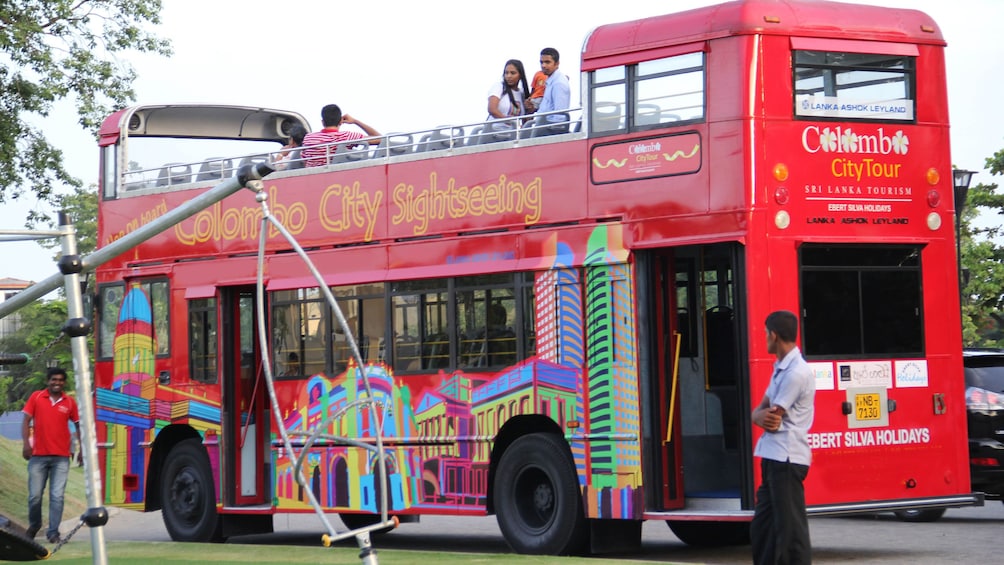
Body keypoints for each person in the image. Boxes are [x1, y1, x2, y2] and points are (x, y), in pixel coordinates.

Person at [750, 310, 815, 565]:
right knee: (763, 527)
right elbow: (759, 411)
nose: (765, 338)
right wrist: (758, 416)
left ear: (774, 335)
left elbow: (772, 419)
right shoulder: (780, 367)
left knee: (790, 530)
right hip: (772, 455)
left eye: (766, 334)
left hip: (787, 458)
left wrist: (758, 416)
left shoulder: (796, 373)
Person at [22, 367, 82, 544]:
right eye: (54, 380)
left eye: (60, 380)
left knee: (57, 496)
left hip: (61, 458)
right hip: (38, 456)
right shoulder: (37, 397)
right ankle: (34, 525)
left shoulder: (69, 402)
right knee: (35, 496)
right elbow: (25, 420)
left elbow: (79, 425)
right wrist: (26, 444)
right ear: (48, 381)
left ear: (64, 382)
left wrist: (82, 451)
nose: (57, 383)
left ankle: (53, 532)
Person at [300, 104, 381, 167]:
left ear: (322, 122)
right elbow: (379, 139)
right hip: (340, 182)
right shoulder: (347, 136)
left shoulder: (308, 138)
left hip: (313, 180)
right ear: (340, 121)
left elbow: (304, 161)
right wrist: (355, 121)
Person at [486, 59, 531, 132]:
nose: (508, 76)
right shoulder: (499, 86)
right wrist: (509, 121)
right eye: (506, 73)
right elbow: (492, 109)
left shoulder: (522, 94)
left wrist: (530, 110)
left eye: (513, 73)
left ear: (520, 75)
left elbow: (525, 120)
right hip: (494, 132)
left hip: (513, 135)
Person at [534, 47, 571, 132]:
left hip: (549, 131)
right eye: (541, 62)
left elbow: (559, 117)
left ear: (557, 64)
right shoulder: (551, 80)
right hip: (542, 127)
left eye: (547, 62)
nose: (543, 65)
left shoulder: (559, 83)